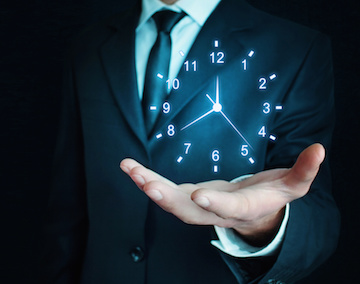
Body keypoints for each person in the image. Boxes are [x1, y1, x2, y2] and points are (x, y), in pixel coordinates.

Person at [41, 0, 340, 283]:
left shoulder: (296, 48)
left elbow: (316, 215)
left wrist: (260, 222)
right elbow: (67, 203)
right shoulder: (87, 47)